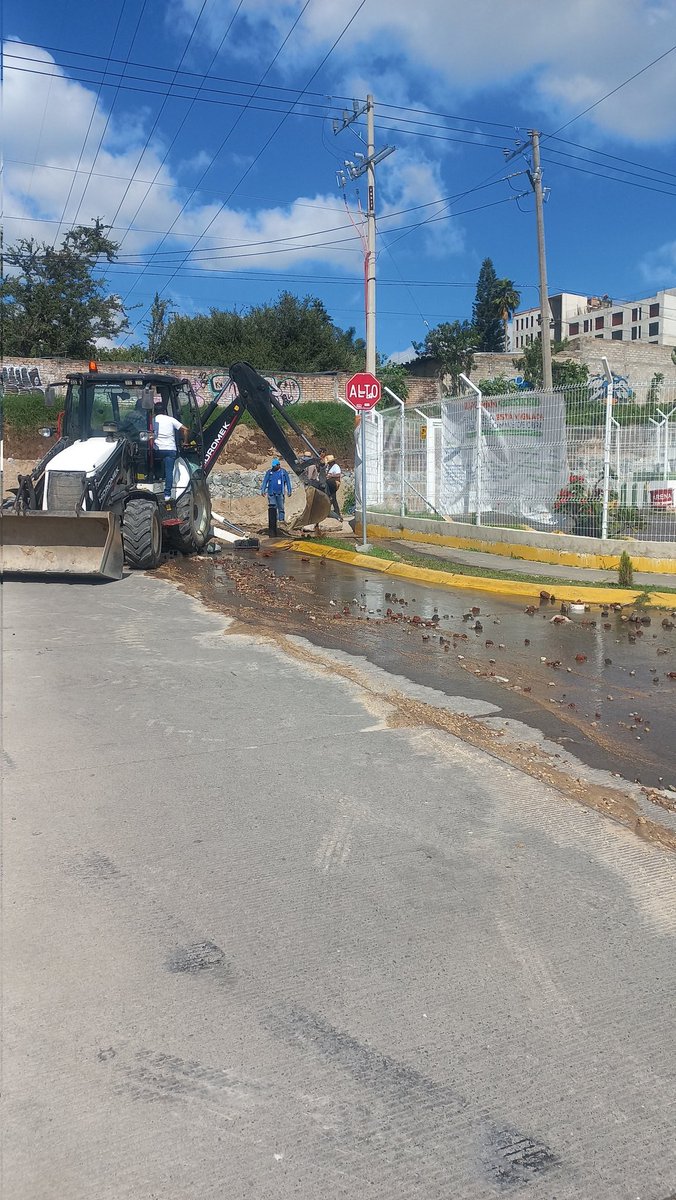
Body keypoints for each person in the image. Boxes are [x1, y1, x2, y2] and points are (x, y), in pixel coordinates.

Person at [153, 397, 187, 501]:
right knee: (169, 471)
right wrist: (185, 442)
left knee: (152, 466)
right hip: (170, 450)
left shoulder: (152, 420)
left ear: (154, 411)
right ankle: (167, 494)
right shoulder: (170, 419)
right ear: (164, 411)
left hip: (157, 451)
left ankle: (154, 485)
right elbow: (185, 429)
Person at [260, 457, 292, 523]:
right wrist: (263, 490)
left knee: (281, 507)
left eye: (275, 466)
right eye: (273, 466)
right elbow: (265, 481)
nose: (273, 468)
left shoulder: (283, 472)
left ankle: (281, 520)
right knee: (273, 507)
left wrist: (289, 490)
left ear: (278, 465)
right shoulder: (269, 472)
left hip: (280, 493)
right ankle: (274, 521)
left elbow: (288, 482)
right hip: (271, 493)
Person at [324, 454, 342, 521]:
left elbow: (338, 474)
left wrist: (331, 476)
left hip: (333, 483)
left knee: (333, 497)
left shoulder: (335, 466)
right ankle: (335, 512)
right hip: (331, 483)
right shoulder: (330, 467)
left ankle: (337, 513)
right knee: (332, 498)